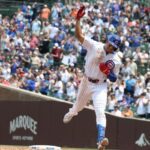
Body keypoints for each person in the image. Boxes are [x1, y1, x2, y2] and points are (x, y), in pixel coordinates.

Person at [63, 6, 122, 150]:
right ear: (107, 41)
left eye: (112, 46)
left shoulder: (116, 59)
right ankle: (72, 112)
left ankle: (100, 141)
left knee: (100, 111)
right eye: (109, 43)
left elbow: (114, 79)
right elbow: (79, 36)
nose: (109, 46)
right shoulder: (95, 45)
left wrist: (108, 73)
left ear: (115, 48)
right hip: (86, 82)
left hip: (100, 86)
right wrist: (77, 20)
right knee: (78, 107)